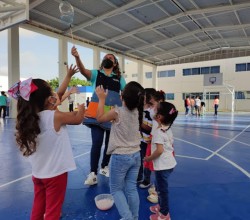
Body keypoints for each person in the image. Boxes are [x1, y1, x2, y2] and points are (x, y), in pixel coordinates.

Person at [8, 64, 85, 220]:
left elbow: (59, 93)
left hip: (38, 174)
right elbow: (77, 119)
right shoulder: (54, 116)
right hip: (55, 175)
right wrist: (82, 107)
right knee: (53, 210)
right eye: (51, 94)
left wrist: (68, 76)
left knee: (39, 204)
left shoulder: (31, 120)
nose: (55, 96)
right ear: (47, 100)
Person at [71, 46, 126, 185]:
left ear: (115, 64)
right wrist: (77, 57)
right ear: (103, 62)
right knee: (97, 143)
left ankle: (104, 166)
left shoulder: (119, 78)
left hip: (112, 114)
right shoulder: (96, 74)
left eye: (111, 58)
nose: (108, 59)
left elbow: (125, 93)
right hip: (95, 114)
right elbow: (83, 71)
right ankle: (93, 173)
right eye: (106, 57)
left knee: (109, 143)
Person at [95, 81, 145, 220]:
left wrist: (102, 99)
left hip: (121, 156)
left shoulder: (117, 112)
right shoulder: (137, 112)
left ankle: (128, 217)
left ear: (122, 96)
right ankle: (134, 217)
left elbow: (99, 118)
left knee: (116, 190)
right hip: (136, 155)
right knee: (131, 188)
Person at [144, 101, 178, 220]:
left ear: (158, 116)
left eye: (155, 109)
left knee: (162, 191)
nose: (153, 109)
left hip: (162, 166)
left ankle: (164, 214)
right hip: (169, 164)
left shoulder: (159, 132)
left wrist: (148, 158)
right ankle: (161, 206)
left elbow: (159, 151)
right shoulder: (167, 128)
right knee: (159, 188)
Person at [143, 90, 165, 203]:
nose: (150, 106)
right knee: (155, 166)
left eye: (152, 103)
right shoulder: (156, 111)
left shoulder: (160, 112)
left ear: (160, 101)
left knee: (158, 167)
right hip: (154, 139)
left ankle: (157, 192)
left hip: (158, 141)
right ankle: (156, 188)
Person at [137, 88, 156, 187]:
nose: (142, 97)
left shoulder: (152, 112)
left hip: (148, 141)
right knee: (138, 159)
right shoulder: (139, 109)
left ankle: (147, 179)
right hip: (139, 139)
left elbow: (150, 128)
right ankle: (139, 176)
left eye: (144, 96)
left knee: (147, 159)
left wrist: (139, 123)